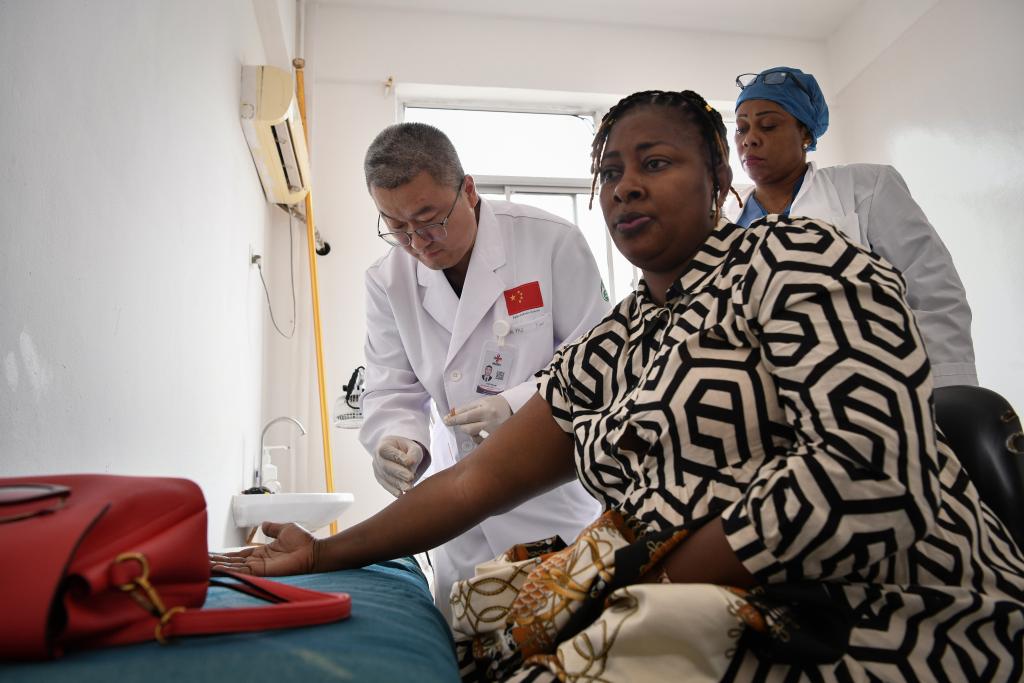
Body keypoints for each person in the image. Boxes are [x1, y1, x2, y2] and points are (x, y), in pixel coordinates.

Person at [214, 91, 1024, 680]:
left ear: (719, 179)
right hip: (672, 591)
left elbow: (870, 475)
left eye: (655, 163)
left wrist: (631, 585)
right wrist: (322, 549)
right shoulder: (625, 335)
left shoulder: (799, 260)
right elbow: (479, 478)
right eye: (608, 172)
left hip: (869, 610)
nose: (625, 185)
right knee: (475, 632)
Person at [356, 123, 607, 615]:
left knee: (563, 633)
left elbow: (596, 359)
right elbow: (391, 388)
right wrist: (397, 439)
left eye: (430, 220)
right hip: (459, 512)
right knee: (466, 639)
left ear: (467, 190)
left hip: (549, 499)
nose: (418, 242)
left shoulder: (550, 242)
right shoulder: (388, 280)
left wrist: (514, 406)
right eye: (396, 226)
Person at [725, 66, 977, 388]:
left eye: (769, 125)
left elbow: (932, 291)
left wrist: (944, 389)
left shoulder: (865, 186)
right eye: (741, 129)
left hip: (875, 383)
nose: (750, 139)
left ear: (805, 134)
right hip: (763, 392)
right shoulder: (725, 221)